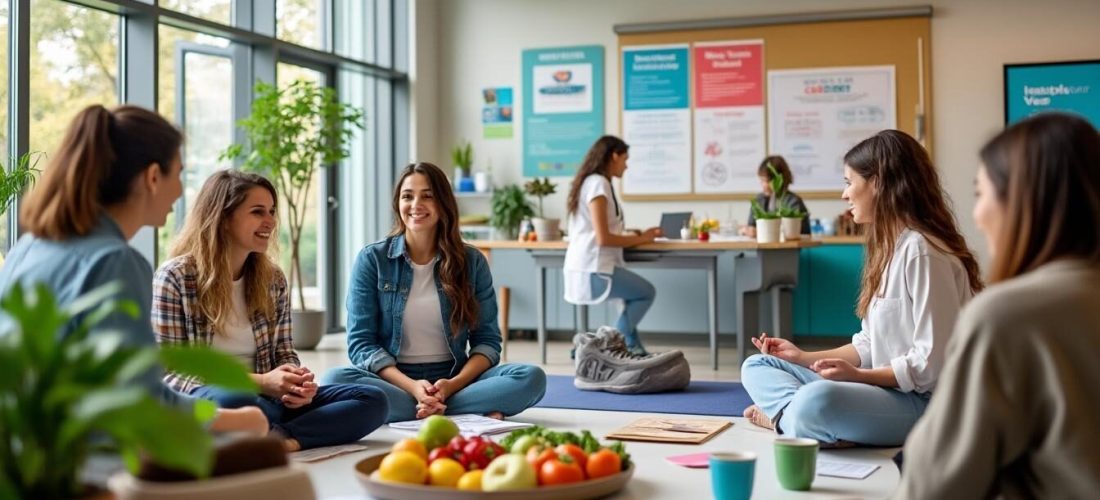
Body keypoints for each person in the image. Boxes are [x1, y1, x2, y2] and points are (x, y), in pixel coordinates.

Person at [0, 105, 266, 435]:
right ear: (153, 177)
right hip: (78, 453)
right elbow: (142, 404)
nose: (180, 191)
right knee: (252, 426)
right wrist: (245, 421)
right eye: (179, 174)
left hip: (23, 447)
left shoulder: (27, 247)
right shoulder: (115, 262)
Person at [894, 113, 1100, 499]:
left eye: (981, 193)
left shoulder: (1006, 315)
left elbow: (933, 486)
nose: (976, 215)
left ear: (1022, 203)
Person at [740, 130, 983, 447]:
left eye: (848, 182)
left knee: (817, 400)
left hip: (924, 404)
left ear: (878, 183)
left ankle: (788, 418)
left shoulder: (923, 253)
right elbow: (868, 345)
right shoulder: (890, 248)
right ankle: (800, 420)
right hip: (883, 390)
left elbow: (930, 366)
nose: (844, 195)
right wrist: (803, 357)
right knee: (757, 365)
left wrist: (858, 377)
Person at [153, 170, 388, 451]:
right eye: (258, 212)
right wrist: (261, 382)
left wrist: (296, 385)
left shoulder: (272, 279)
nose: (271, 221)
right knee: (235, 399)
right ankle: (281, 429)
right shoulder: (175, 277)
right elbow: (171, 372)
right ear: (223, 218)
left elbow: (284, 353)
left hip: (268, 401)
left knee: (373, 399)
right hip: (214, 399)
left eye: (272, 211)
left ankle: (281, 438)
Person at [322, 162, 545, 422]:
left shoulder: (472, 261)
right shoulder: (372, 259)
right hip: (393, 378)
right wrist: (413, 387)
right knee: (334, 379)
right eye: (407, 196)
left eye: (427, 196)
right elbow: (361, 343)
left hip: (454, 378)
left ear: (443, 203)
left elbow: (487, 341)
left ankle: (420, 408)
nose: (416, 205)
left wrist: (450, 386)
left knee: (531, 378)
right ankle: (456, 408)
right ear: (398, 204)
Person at [563, 135, 662, 355]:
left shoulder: (593, 182)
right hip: (593, 268)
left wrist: (633, 234)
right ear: (614, 156)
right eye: (625, 159)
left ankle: (633, 350)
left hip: (588, 265)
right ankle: (604, 347)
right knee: (646, 293)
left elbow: (602, 229)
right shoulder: (598, 184)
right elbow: (603, 238)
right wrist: (644, 238)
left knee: (631, 299)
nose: (626, 166)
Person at [739, 155, 810, 237]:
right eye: (761, 180)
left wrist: (760, 232)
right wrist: (748, 231)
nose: (763, 185)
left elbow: (794, 232)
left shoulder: (793, 202)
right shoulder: (758, 200)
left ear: (780, 179)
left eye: (766, 181)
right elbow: (751, 226)